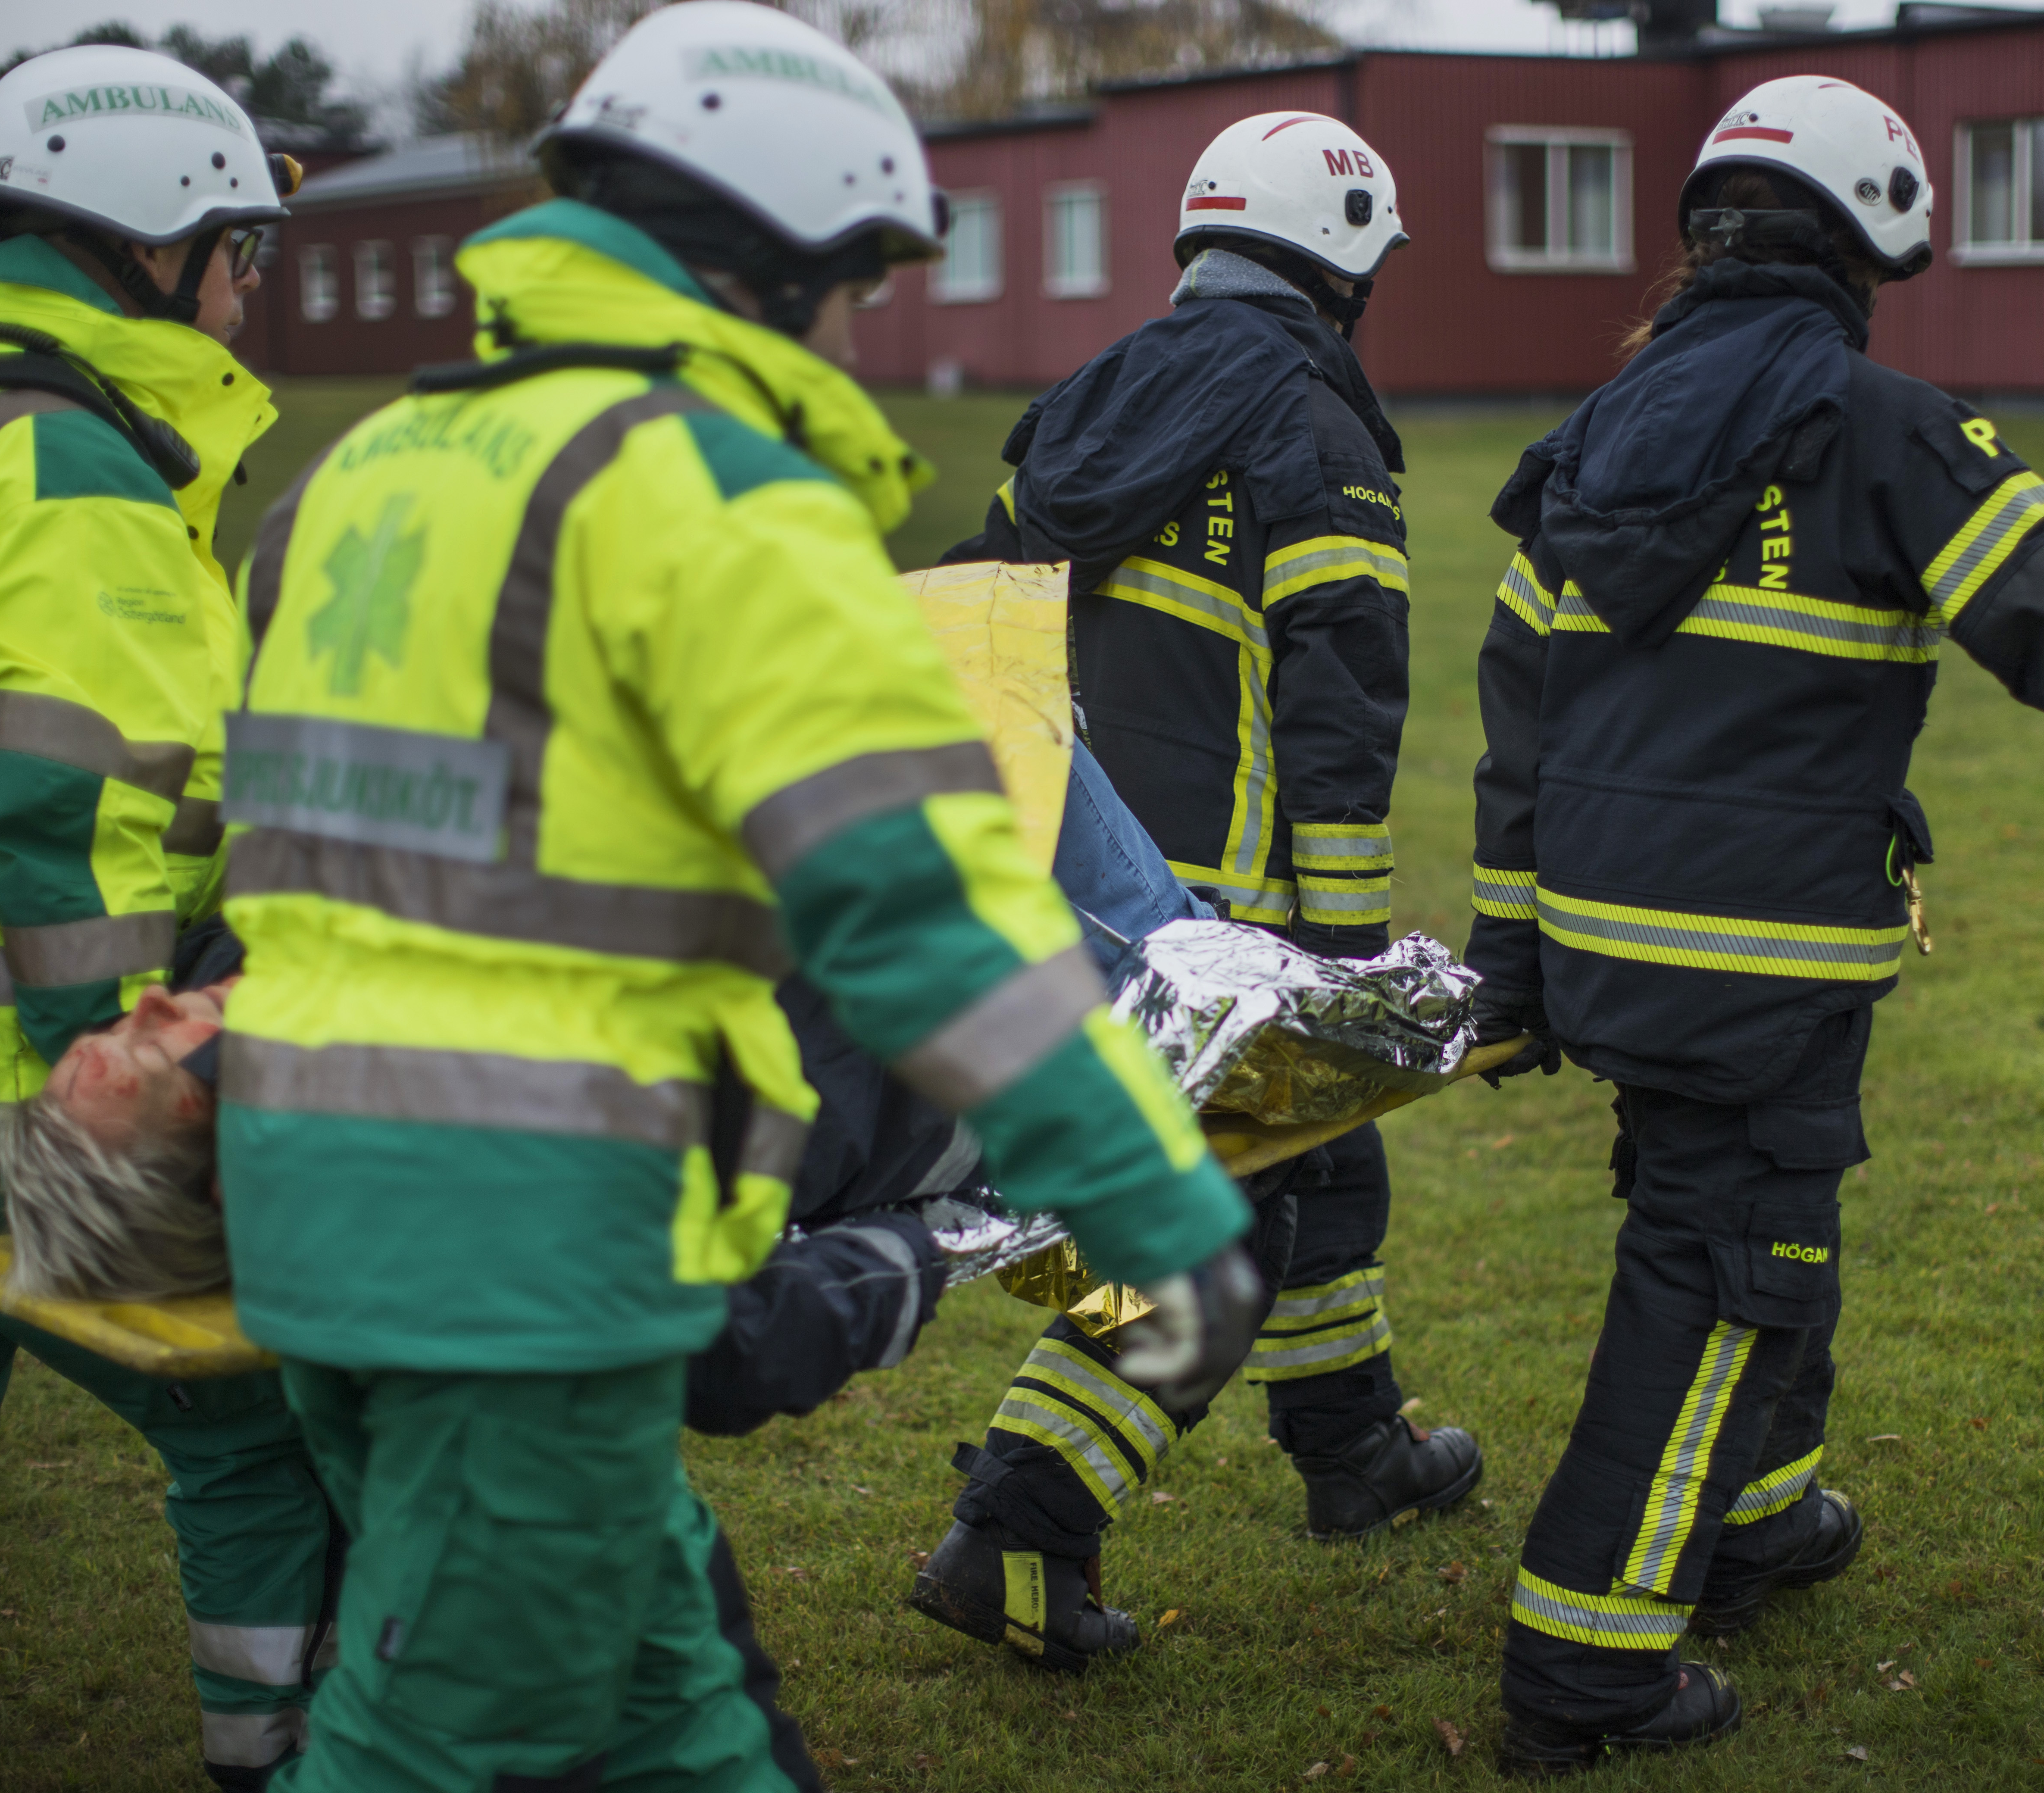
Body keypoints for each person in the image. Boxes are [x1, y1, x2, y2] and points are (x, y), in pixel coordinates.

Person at [211, 6, 1257, 1787]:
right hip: (529, 1255)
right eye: (853, 284)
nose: (857, 332)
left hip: (309, 1197)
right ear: (773, 267)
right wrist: (1164, 1210)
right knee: (424, 1742)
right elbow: (928, 921)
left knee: (693, 1718)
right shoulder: (717, 501)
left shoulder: (346, 483)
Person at [1466, 75, 2044, 1776]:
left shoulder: (1594, 434)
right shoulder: (1886, 426)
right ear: (1867, 237)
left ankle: (1752, 1518)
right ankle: (1587, 1661)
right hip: (1758, 960)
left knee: (1767, 1214)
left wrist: (1513, 965)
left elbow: (1520, 719)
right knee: (1730, 1264)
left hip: (1609, 940)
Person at [909, 108, 1481, 1674]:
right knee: (1206, 1231)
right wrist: (1348, 950)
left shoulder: (1087, 400)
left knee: (1311, 1171)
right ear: (1345, 250)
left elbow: (976, 624)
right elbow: (1345, 700)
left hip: (1073, 891)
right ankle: (1014, 1536)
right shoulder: (1314, 424)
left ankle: (1354, 1448)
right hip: (1224, 921)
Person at [0, 45, 341, 1787]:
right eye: (242, 247)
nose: (250, 287)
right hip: (4, 1083)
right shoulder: (83, 481)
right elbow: (74, 827)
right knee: (253, 1426)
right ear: (151, 242)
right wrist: (141, 1096)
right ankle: (283, 1754)